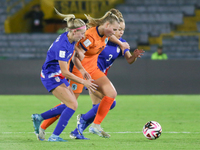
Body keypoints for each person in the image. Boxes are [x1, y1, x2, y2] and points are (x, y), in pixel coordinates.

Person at [37, 10, 144, 140]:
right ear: (108, 26)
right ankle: (43, 126)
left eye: (121, 29)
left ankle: (91, 126)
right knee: (68, 105)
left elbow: (113, 39)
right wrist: (81, 69)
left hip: (93, 71)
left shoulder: (108, 35)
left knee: (111, 98)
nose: (119, 32)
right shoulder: (91, 36)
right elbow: (77, 54)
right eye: (117, 29)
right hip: (79, 71)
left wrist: (123, 45)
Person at [31, 11, 98, 142]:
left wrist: (82, 70)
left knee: (70, 104)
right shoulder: (61, 46)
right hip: (51, 76)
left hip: (57, 75)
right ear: (74, 32)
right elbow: (66, 72)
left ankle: (39, 118)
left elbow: (71, 54)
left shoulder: (69, 38)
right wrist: (84, 82)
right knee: (72, 105)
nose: (83, 36)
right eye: (82, 33)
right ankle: (54, 136)